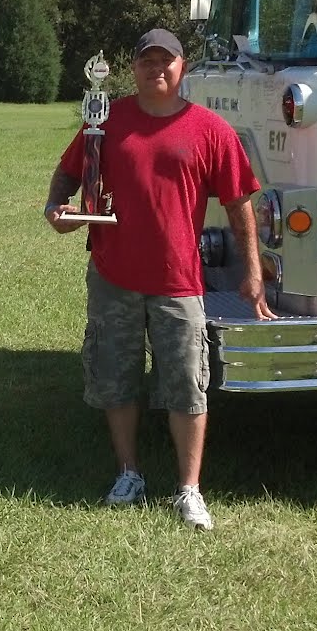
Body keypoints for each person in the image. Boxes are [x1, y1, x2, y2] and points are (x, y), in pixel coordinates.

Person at [45, 27, 274, 529]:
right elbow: (70, 173)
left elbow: (240, 205)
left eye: (166, 61)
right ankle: (129, 473)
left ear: (182, 68)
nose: (157, 70)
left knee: (188, 385)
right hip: (113, 276)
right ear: (134, 69)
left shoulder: (210, 130)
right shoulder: (107, 120)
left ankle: (189, 489)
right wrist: (55, 206)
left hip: (179, 281)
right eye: (147, 62)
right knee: (115, 377)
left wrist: (253, 272)